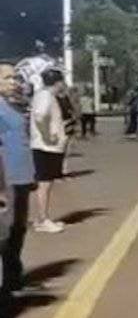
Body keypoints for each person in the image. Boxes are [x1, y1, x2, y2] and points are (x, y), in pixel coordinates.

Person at [0, 64, 36, 293]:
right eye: (7, 77)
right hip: (8, 176)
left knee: (20, 226)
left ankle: (14, 272)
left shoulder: (13, 105)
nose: (13, 81)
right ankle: (9, 276)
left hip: (22, 174)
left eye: (15, 77)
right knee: (8, 228)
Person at [30, 69, 68, 234]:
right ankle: (42, 220)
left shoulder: (44, 95)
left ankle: (43, 218)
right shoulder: (45, 96)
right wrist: (48, 135)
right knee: (44, 184)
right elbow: (40, 116)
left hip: (47, 146)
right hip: (46, 147)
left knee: (46, 183)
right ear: (58, 82)